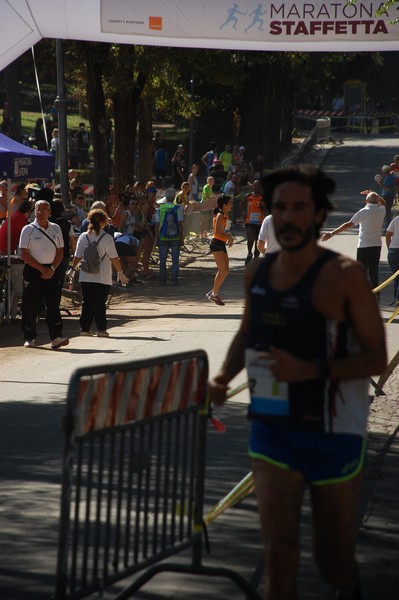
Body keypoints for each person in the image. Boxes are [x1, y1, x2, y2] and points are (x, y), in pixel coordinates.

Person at [208, 164, 387, 600]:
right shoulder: (258, 274)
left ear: (319, 215)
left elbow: (377, 358)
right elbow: (249, 331)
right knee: (280, 550)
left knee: (333, 563)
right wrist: (222, 376)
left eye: (299, 208)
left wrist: (312, 370)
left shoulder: (345, 276)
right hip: (273, 427)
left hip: (334, 430)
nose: (288, 217)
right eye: (280, 207)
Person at [19, 200, 69, 349]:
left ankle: (56, 337)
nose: (40, 212)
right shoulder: (28, 229)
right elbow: (24, 254)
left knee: (53, 304)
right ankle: (29, 337)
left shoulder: (56, 228)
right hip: (33, 271)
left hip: (52, 271)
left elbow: (60, 251)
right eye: (38, 210)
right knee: (30, 305)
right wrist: (42, 269)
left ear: (50, 212)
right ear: (34, 212)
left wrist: (52, 268)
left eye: (44, 210)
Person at [71, 208, 128, 336]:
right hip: (102, 276)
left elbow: (77, 256)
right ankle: (101, 329)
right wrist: (120, 272)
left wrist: (73, 269)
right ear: (104, 222)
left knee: (87, 302)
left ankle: (85, 329)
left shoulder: (83, 236)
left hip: (86, 275)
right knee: (100, 303)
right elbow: (114, 257)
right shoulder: (107, 237)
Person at [321, 190, 385, 290]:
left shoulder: (364, 212)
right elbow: (383, 203)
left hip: (364, 246)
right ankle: (376, 297)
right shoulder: (381, 210)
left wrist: (332, 233)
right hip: (377, 246)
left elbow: (348, 224)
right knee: (374, 273)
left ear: (366, 201)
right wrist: (374, 193)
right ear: (377, 201)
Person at [206, 194, 234, 306]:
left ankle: (213, 292)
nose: (231, 205)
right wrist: (228, 237)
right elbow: (217, 233)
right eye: (230, 203)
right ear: (224, 205)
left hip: (221, 244)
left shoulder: (225, 215)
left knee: (225, 270)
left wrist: (230, 236)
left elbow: (224, 231)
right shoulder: (220, 215)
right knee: (223, 270)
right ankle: (214, 293)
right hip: (216, 243)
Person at [154, 188, 184, 286]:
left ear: (166, 198)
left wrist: (157, 237)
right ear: (174, 197)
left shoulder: (160, 209)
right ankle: (174, 279)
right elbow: (180, 224)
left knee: (162, 259)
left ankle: (162, 279)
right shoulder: (178, 208)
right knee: (175, 259)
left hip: (163, 236)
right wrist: (181, 237)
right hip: (175, 237)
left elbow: (157, 224)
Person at [240, 179, 265, 264]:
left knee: (258, 241)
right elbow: (241, 203)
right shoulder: (248, 196)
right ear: (252, 186)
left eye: (258, 186)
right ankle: (249, 253)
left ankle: (256, 258)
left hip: (260, 222)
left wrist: (263, 205)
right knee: (250, 239)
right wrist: (244, 212)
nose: (256, 187)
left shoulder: (263, 197)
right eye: (255, 185)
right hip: (249, 221)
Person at [376, 165, 395, 231]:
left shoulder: (387, 178)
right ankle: (388, 228)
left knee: (385, 213)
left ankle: (387, 228)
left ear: (384, 172)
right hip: (391, 196)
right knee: (388, 212)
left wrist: (381, 184)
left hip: (386, 196)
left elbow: (387, 188)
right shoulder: (392, 177)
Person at [385, 214, 399, 305]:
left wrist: (389, 248)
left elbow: (388, 234)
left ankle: (396, 298)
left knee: (396, 276)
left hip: (394, 251)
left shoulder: (397, 219)